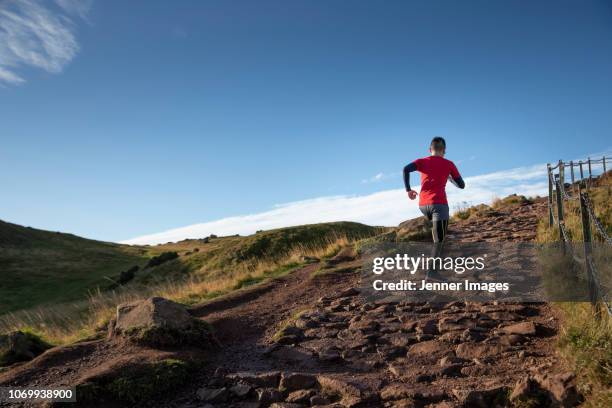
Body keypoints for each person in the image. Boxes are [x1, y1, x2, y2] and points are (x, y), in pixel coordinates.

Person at [403, 136, 465, 243]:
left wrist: (408, 190)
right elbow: (461, 185)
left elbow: (406, 169)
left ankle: (435, 236)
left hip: (423, 205)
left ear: (430, 149)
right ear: (444, 150)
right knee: (439, 242)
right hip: (439, 205)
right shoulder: (449, 164)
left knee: (436, 232)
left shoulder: (421, 161)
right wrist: (449, 178)